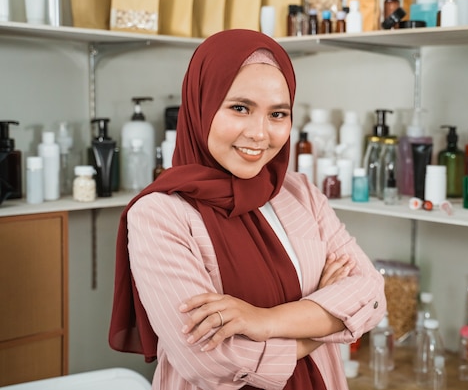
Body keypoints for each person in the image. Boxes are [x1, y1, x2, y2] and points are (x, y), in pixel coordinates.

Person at [109, 29, 386, 390]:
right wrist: (323, 323)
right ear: (201, 106)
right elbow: (212, 362)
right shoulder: (159, 215)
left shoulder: (299, 192)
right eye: (240, 108)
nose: (260, 133)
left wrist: (263, 320)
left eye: (277, 114)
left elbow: (371, 295)